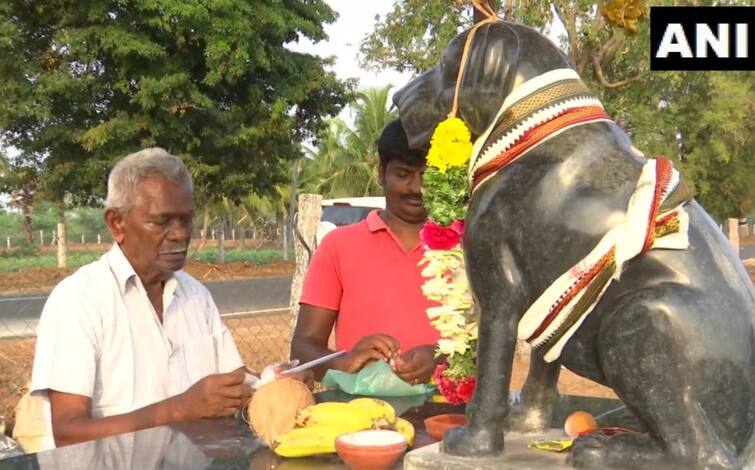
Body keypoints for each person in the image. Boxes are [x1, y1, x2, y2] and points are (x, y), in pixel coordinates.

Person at [26, 148, 304, 450]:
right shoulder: (79, 300)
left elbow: (234, 380)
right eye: (161, 222)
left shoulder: (195, 295)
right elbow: (67, 432)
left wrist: (270, 382)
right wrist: (179, 409)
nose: (179, 235)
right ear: (116, 223)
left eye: (185, 220)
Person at [291, 119, 441, 384]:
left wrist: (441, 359)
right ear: (381, 173)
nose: (417, 188)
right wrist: (345, 361)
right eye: (404, 174)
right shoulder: (338, 246)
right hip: (361, 415)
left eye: (429, 176)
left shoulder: (462, 248)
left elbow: (487, 347)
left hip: (447, 416)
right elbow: (303, 348)